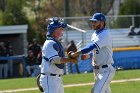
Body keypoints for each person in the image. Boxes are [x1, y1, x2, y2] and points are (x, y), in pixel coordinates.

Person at [69, 13, 115, 93]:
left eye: (95, 22)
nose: (92, 23)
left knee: (95, 91)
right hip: (97, 70)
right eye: (92, 22)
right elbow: (95, 51)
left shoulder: (105, 34)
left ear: (102, 22)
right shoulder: (94, 34)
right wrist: (87, 56)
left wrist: (76, 54)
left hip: (106, 70)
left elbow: (91, 46)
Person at [39, 17, 77, 93]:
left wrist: (69, 57)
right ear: (55, 30)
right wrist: (70, 60)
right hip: (50, 78)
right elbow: (54, 59)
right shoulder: (50, 43)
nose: (63, 30)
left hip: (56, 78)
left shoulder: (55, 42)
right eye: (61, 28)